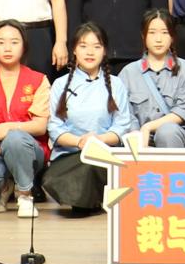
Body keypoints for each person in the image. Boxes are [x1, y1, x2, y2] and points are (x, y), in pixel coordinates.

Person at [43, 24, 135, 213]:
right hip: (69, 155)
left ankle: (89, 199)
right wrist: (80, 142)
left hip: (105, 154)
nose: (90, 52)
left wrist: (97, 141)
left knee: (93, 167)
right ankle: (89, 198)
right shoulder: (60, 84)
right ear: (74, 50)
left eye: (97, 46)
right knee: (58, 177)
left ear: (105, 51)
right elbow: (54, 127)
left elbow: (122, 125)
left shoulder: (116, 84)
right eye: (83, 46)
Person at [0, 18, 50, 214]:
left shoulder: (38, 79)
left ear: (24, 46)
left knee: (15, 139)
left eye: (14, 42)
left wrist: (9, 127)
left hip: (29, 150)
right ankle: (3, 188)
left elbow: (40, 126)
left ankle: (25, 194)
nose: (7, 48)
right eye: (1, 42)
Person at [122, 10, 185, 148]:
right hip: (142, 142)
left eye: (165, 33)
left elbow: (182, 113)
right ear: (143, 36)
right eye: (152, 32)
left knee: (167, 131)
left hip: (177, 140)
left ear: (172, 37)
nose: (158, 39)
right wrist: (137, 135)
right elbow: (126, 115)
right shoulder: (128, 73)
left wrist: (148, 127)